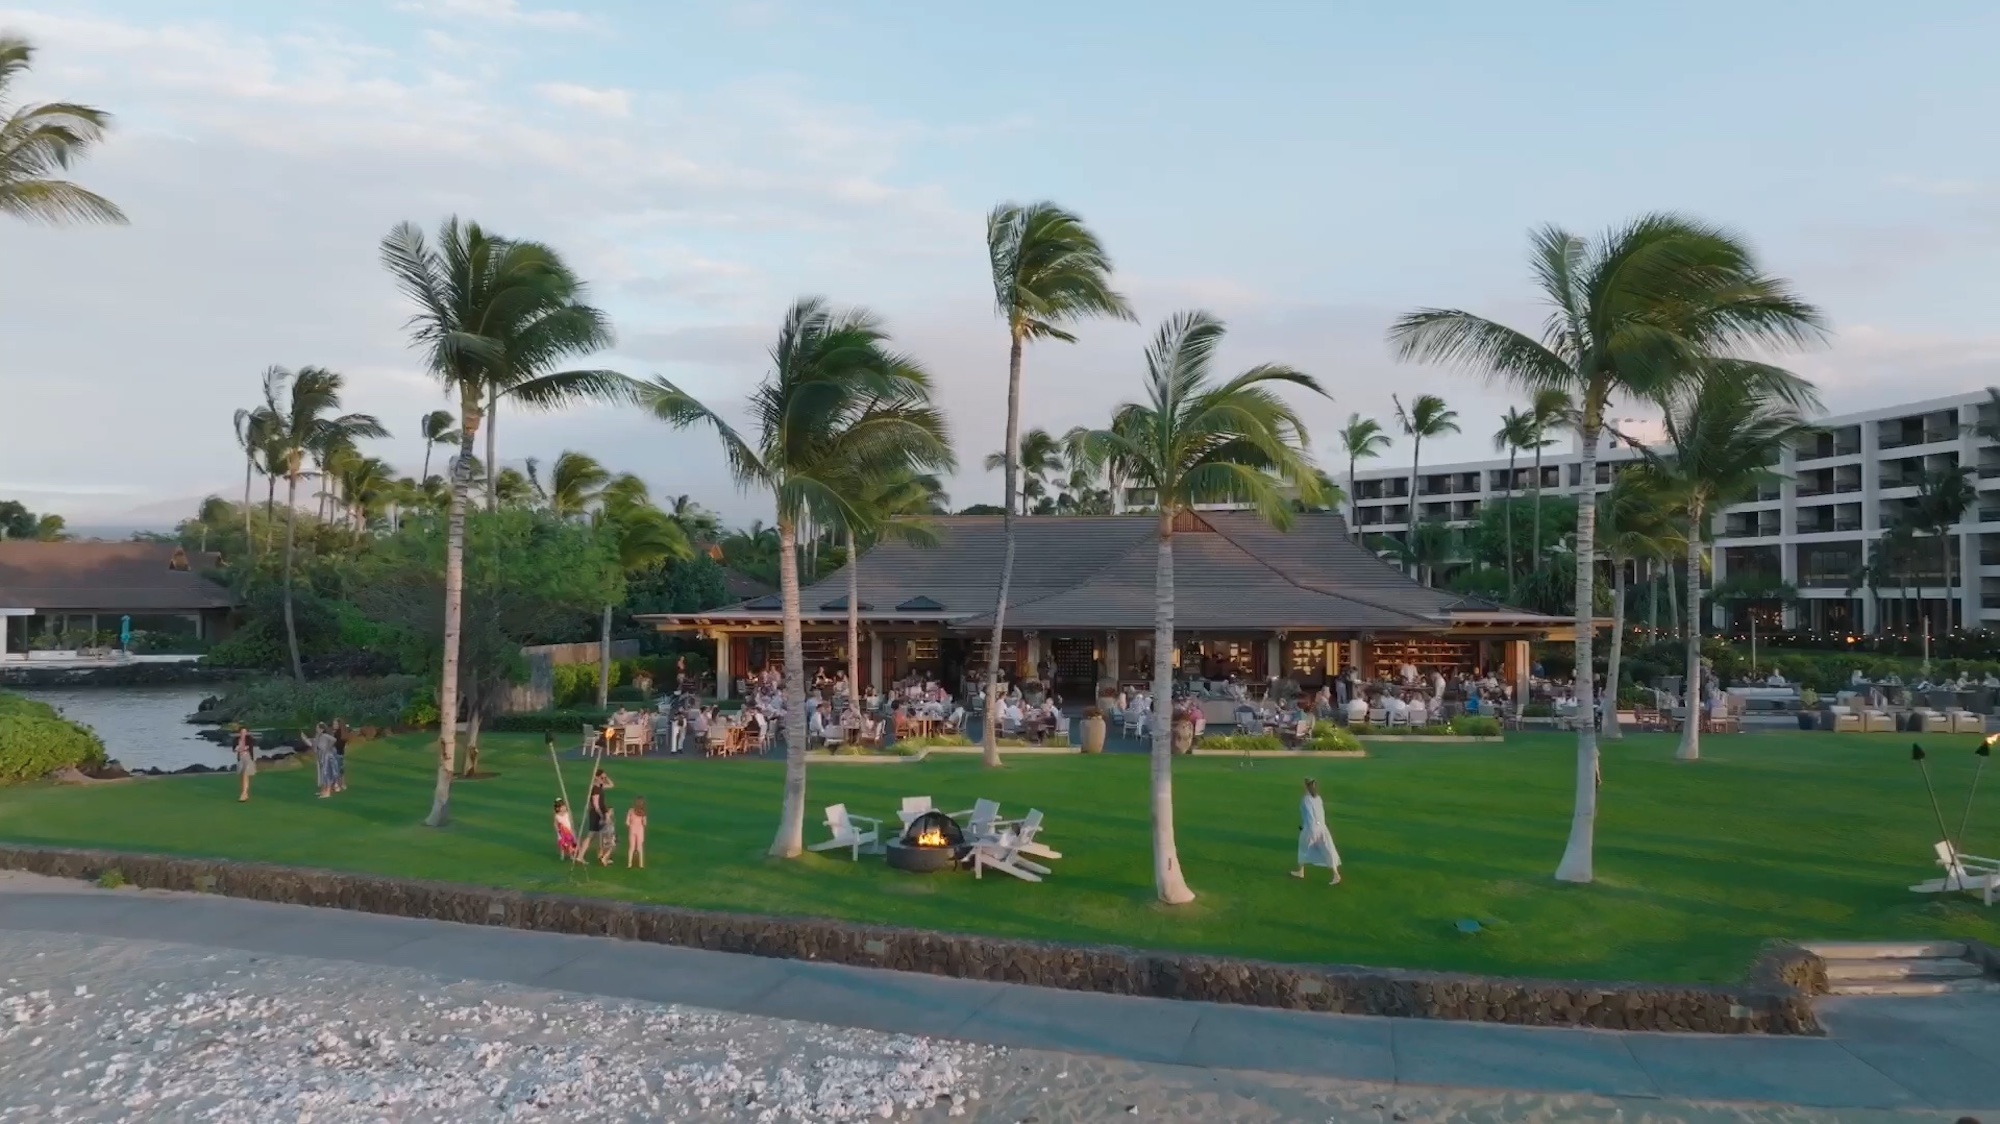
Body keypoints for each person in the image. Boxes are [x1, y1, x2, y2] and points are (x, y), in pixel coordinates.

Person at [1291, 778, 1341, 884]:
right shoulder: (1318, 798)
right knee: (1328, 849)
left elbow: (1309, 816)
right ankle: (1336, 874)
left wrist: (1305, 827)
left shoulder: (1306, 799)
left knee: (1303, 848)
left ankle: (1301, 871)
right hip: (1322, 828)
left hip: (1311, 829)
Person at [312, 722, 338, 798]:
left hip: (326, 755)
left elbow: (334, 740)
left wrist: (328, 748)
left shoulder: (325, 735)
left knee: (326, 773)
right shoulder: (319, 736)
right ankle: (323, 790)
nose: (316, 729)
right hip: (321, 755)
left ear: (322, 729)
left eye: (318, 727)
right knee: (323, 773)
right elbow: (315, 746)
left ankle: (328, 791)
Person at [233, 725, 256, 802]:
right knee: (243, 776)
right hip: (241, 759)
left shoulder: (249, 739)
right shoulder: (236, 739)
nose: (243, 733)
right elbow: (234, 749)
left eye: (245, 732)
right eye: (242, 732)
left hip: (248, 758)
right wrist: (239, 748)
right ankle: (245, 793)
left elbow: (250, 747)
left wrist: (244, 748)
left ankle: (244, 793)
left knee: (246, 775)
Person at [625, 795, 648, 868]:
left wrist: (631, 823)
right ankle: (641, 864)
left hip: (632, 829)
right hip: (640, 830)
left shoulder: (631, 810)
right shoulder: (643, 812)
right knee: (640, 848)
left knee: (631, 847)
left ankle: (629, 864)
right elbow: (645, 823)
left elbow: (627, 822)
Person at [330, 718, 349, 793]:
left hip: (337, 753)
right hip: (340, 753)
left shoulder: (338, 734)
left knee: (336, 770)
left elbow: (338, 745)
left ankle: (337, 785)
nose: (333, 725)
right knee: (340, 769)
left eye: (335, 724)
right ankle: (342, 784)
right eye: (333, 724)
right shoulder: (340, 733)